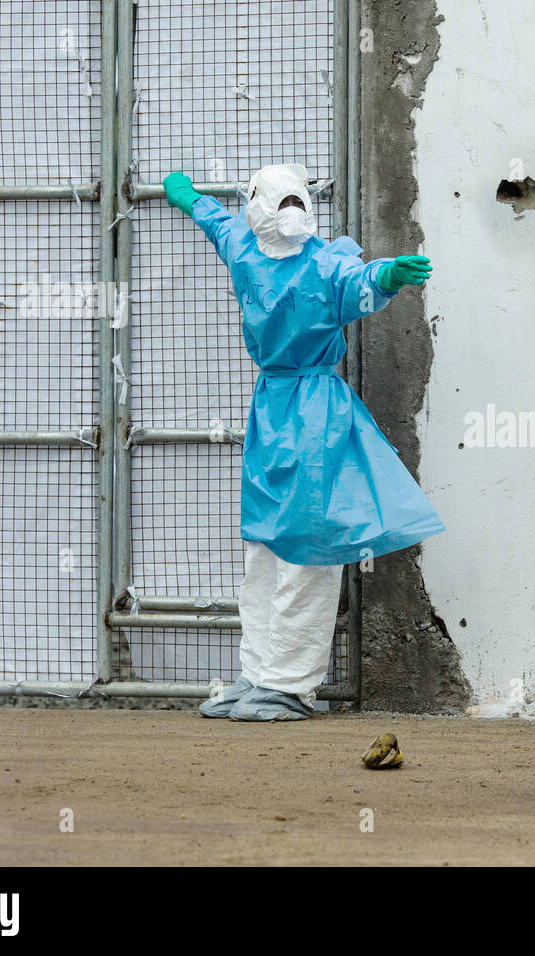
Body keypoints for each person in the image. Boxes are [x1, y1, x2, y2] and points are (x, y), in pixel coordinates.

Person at [162, 164, 444, 721]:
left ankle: (290, 685)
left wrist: (387, 277)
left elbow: (355, 283)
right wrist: (190, 198)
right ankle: (258, 673)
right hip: (274, 410)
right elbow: (219, 224)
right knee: (264, 548)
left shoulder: (323, 262)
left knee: (307, 550)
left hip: (316, 414)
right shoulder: (247, 251)